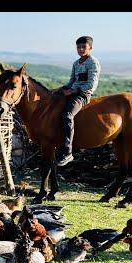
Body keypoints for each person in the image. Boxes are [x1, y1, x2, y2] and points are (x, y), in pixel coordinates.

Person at [54, 36, 101, 166]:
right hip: (72, 92)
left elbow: (91, 84)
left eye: (83, 47)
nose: (80, 49)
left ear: (90, 48)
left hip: (82, 95)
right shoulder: (76, 63)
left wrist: (74, 91)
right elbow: (71, 81)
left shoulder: (93, 63)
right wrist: (61, 89)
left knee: (67, 115)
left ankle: (68, 152)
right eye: (78, 47)